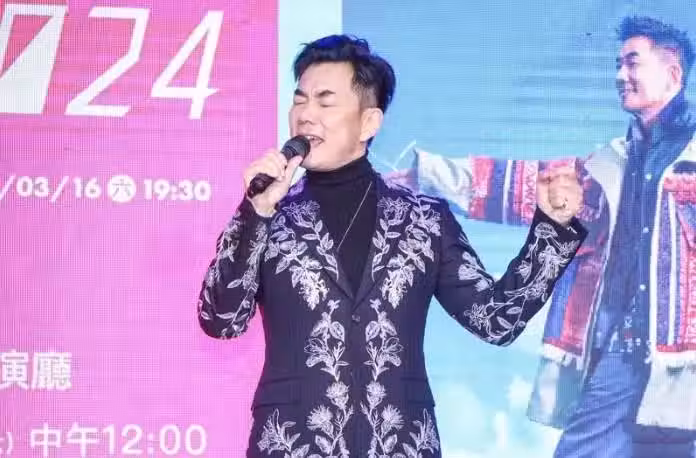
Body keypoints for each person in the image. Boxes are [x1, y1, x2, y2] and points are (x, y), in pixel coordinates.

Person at [197, 35, 586, 457]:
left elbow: (495, 320)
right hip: (294, 445)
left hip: (399, 442)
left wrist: (551, 228)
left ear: (369, 123)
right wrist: (256, 211)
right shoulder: (268, 217)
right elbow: (220, 319)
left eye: (325, 102)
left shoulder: (423, 220)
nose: (306, 115)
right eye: (300, 100)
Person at [403, 16, 696, 458]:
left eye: (633, 63)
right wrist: (425, 176)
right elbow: (522, 186)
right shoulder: (607, 166)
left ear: (672, 73)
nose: (621, 75)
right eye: (617, 65)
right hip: (626, 351)